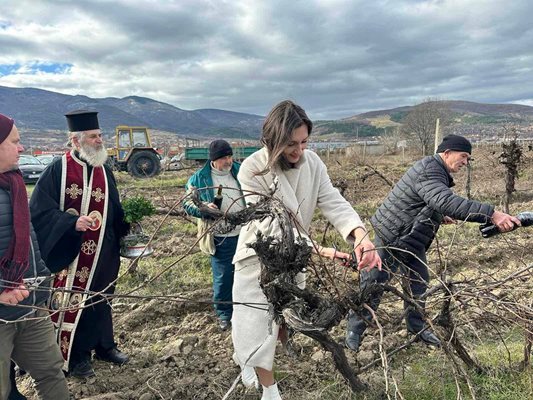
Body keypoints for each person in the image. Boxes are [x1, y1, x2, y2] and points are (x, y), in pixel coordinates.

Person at [231, 100, 381, 400]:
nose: (298, 151)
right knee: (256, 323)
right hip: (258, 257)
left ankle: (252, 362)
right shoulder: (253, 169)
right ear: (271, 141)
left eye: (303, 142)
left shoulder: (312, 163)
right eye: (290, 144)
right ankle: (269, 390)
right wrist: (320, 250)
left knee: (281, 321)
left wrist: (360, 236)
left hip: (296, 256)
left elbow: (333, 201)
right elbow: (273, 223)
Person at [345, 134, 521, 351]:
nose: (466, 162)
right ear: (446, 153)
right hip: (393, 235)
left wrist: (437, 215)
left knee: (418, 282)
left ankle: (417, 329)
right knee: (374, 284)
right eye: (463, 156)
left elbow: (427, 200)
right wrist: (492, 214)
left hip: (411, 237)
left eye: (468, 158)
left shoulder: (436, 170)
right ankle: (354, 330)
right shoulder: (430, 170)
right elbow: (444, 201)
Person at [29, 110, 130, 378]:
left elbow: (115, 209)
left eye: (100, 136)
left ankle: (105, 346)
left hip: (104, 251)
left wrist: (128, 227)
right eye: (94, 137)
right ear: (76, 141)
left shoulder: (103, 169)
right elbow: (38, 211)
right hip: (71, 254)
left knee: (102, 298)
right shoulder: (57, 169)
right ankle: (77, 358)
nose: (100, 141)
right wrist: (69, 224)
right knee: (76, 302)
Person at [0, 112, 70, 399]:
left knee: (52, 373)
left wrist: (41, 287)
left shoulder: (14, 184)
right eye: (15, 142)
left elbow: (28, 243)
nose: (22, 148)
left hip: (30, 306)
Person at [183, 139, 245, 331]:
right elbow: (187, 204)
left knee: (246, 274)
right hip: (220, 236)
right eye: (224, 158)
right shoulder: (199, 179)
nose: (228, 161)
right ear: (213, 160)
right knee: (224, 276)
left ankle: (245, 310)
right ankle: (225, 314)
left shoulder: (240, 170)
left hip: (244, 233)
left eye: (230, 156)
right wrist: (204, 209)